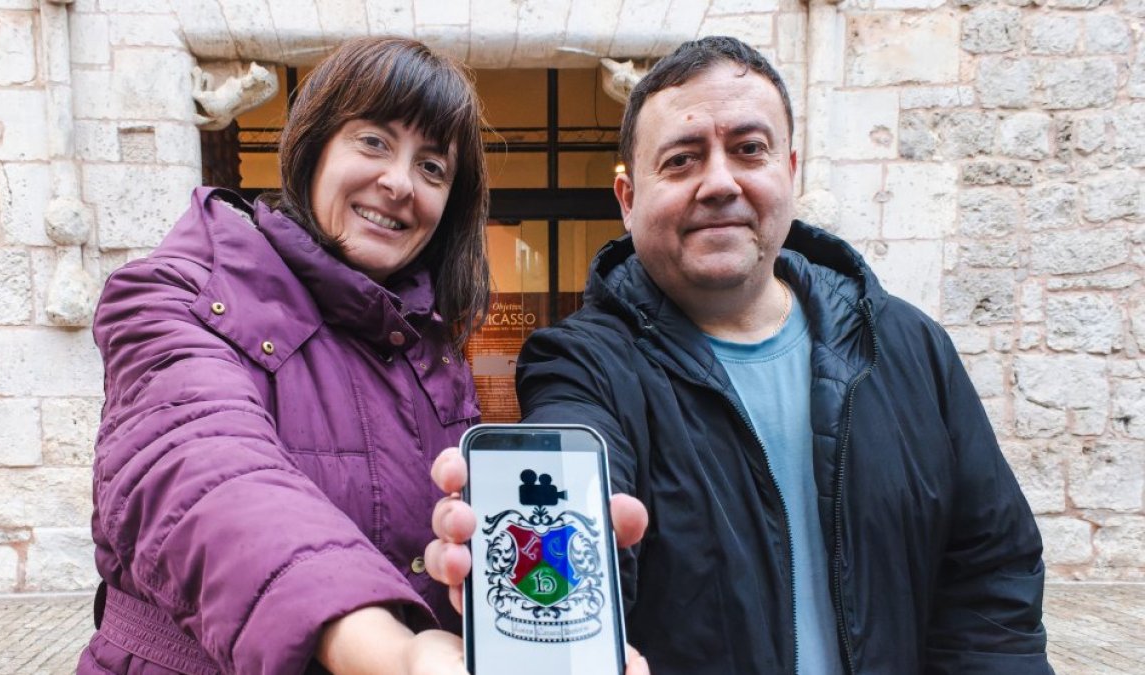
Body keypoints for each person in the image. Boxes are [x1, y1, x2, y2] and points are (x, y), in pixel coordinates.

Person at [427, 36, 1052, 674]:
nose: (720, 183)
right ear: (627, 198)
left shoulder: (910, 346)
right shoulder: (580, 365)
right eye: (681, 160)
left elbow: (991, 580)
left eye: (749, 150)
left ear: (790, 170)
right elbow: (586, 488)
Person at [78, 37, 491, 674]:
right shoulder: (177, 293)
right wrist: (396, 654)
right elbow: (206, 471)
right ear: (314, 148)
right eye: (374, 141)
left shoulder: (429, 347)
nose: (399, 182)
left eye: (433, 167)